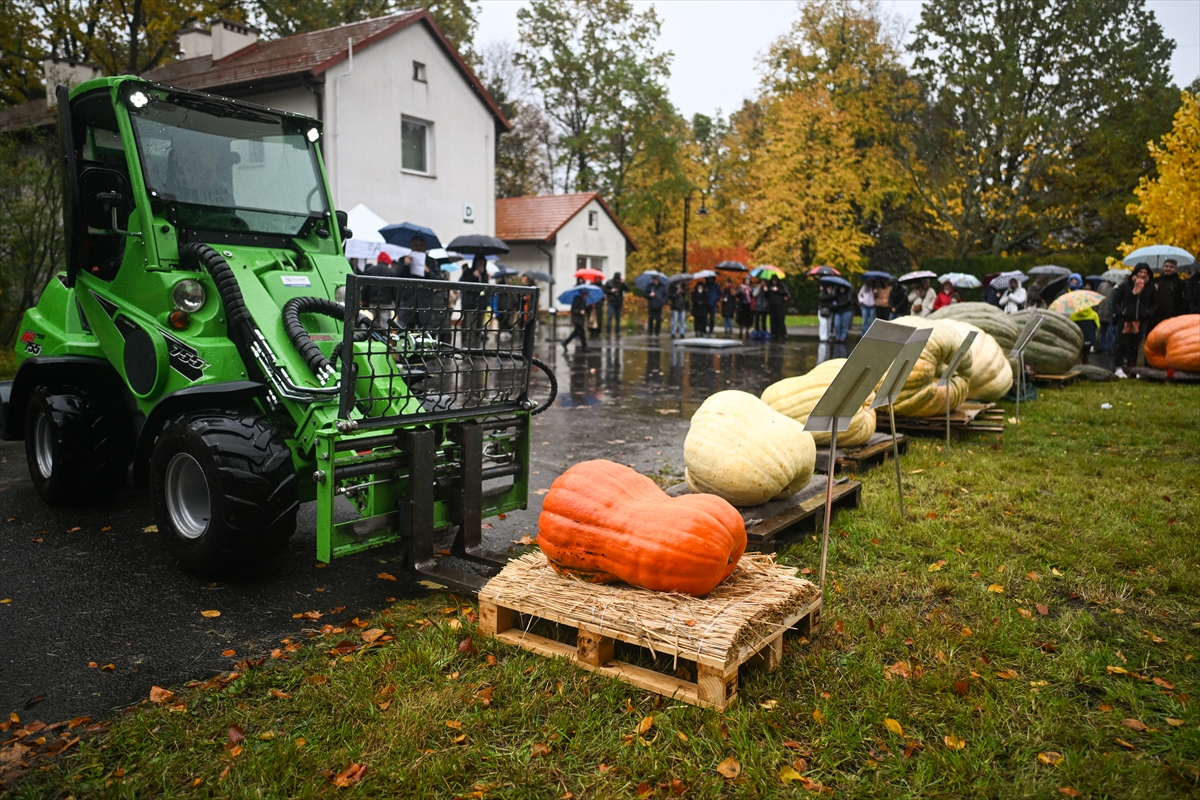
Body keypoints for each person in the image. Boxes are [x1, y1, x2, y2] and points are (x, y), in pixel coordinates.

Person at [1110, 263, 1157, 378]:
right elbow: (1116, 302)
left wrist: (1148, 313)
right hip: (1126, 320)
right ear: (1135, 272)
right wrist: (1121, 312)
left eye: (1145, 272)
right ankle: (1118, 368)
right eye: (1140, 272)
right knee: (1122, 344)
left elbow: (1155, 303)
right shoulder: (1125, 285)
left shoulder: (1150, 287)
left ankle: (1132, 368)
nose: (1143, 274)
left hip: (1141, 321)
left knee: (1135, 346)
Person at [459, 254, 489, 347]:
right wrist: (473, 276)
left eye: (483, 262)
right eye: (479, 262)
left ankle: (477, 346)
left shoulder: (484, 275)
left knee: (479, 328)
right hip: (471, 305)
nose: (481, 264)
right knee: (471, 327)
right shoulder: (468, 273)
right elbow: (463, 285)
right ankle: (470, 347)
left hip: (481, 305)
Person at [1151, 259, 1187, 331]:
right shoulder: (1155, 281)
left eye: (1171, 267)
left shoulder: (1180, 283)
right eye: (1166, 266)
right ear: (1162, 267)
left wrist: (1177, 314)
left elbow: (1184, 300)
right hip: (1156, 316)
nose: (1168, 269)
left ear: (1175, 269)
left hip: (1172, 315)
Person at [562, 279, 590, 351]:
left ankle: (565, 342)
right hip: (577, 319)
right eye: (586, 295)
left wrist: (589, 307)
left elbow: (586, 310)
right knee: (581, 332)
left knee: (577, 333)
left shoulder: (584, 301)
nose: (587, 296)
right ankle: (584, 346)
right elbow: (573, 309)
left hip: (581, 320)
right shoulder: (577, 299)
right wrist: (580, 311)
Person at [1095, 278, 1116, 353]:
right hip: (1103, 312)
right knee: (1104, 331)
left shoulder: (1114, 288)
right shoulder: (1103, 285)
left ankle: (1108, 347)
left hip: (1107, 313)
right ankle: (1104, 347)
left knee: (1109, 331)